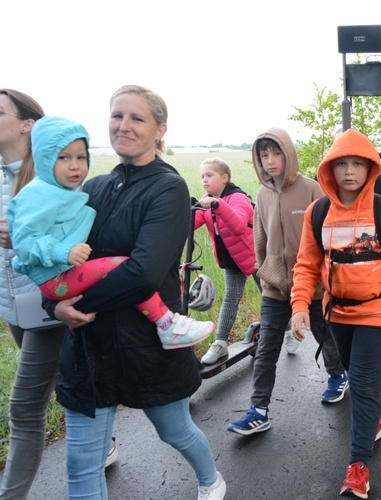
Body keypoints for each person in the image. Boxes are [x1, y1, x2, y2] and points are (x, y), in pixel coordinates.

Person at [48, 85, 226, 500]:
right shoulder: (91, 189)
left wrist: (77, 304)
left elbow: (143, 274)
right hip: (89, 348)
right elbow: (59, 263)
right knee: (81, 466)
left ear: (160, 129)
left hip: (144, 343)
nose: (122, 125)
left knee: (175, 431)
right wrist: (54, 305)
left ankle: (211, 479)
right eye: (116, 115)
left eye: (136, 118)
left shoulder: (168, 189)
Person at [289, 129, 381, 499]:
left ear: (370, 169)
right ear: (330, 169)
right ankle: (372, 420)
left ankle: (358, 467)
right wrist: (300, 304)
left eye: (357, 164)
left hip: (380, 313)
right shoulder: (318, 213)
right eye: (341, 163)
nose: (349, 171)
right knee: (356, 378)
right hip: (337, 315)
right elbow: (306, 263)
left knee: (362, 385)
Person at [8, 116, 215, 351]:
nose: (74, 165)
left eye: (81, 157)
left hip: (84, 303)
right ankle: (167, 323)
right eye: (63, 157)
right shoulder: (49, 194)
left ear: (160, 130)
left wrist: (62, 306)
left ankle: (167, 323)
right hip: (60, 283)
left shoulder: (73, 192)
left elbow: (142, 274)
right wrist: (61, 267)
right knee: (121, 264)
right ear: (44, 160)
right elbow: (25, 242)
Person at [0, 89, 118, 500]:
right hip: (13, 304)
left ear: (27, 125)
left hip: (47, 304)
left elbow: (82, 240)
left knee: (24, 411)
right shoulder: (5, 176)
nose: (75, 164)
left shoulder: (52, 180)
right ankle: (104, 440)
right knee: (56, 387)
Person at [226, 127, 348, 436]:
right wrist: (264, 270)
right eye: (264, 155)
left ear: (288, 154)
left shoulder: (311, 189)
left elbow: (330, 237)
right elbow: (260, 242)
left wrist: (324, 280)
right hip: (275, 288)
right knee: (267, 347)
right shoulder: (263, 195)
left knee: (325, 335)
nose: (269, 160)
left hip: (313, 287)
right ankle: (258, 410)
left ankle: (338, 376)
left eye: (276, 153)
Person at [193, 157, 258, 364]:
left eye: (209, 175)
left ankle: (289, 332)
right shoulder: (207, 200)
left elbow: (238, 226)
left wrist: (218, 205)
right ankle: (220, 344)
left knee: (274, 297)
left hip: (259, 257)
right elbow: (192, 224)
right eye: (202, 176)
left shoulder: (238, 198)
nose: (204, 180)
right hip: (233, 260)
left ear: (224, 178)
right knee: (231, 299)